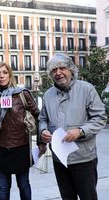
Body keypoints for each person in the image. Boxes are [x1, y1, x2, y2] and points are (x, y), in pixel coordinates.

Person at [39, 53, 107, 200]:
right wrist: (43, 130)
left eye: (62, 68)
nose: (58, 73)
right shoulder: (48, 95)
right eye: (53, 70)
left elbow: (100, 117)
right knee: (67, 197)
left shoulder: (87, 89)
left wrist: (81, 131)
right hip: (59, 160)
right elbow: (42, 119)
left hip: (83, 158)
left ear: (71, 69)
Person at [0, 62, 43, 200]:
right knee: (4, 187)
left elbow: (39, 117)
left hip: (21, 148)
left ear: (10, 75)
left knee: (23, 185)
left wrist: (41, 141)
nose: (1, 76)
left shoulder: (23, 94)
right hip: (1, 149)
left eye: (5, 72)